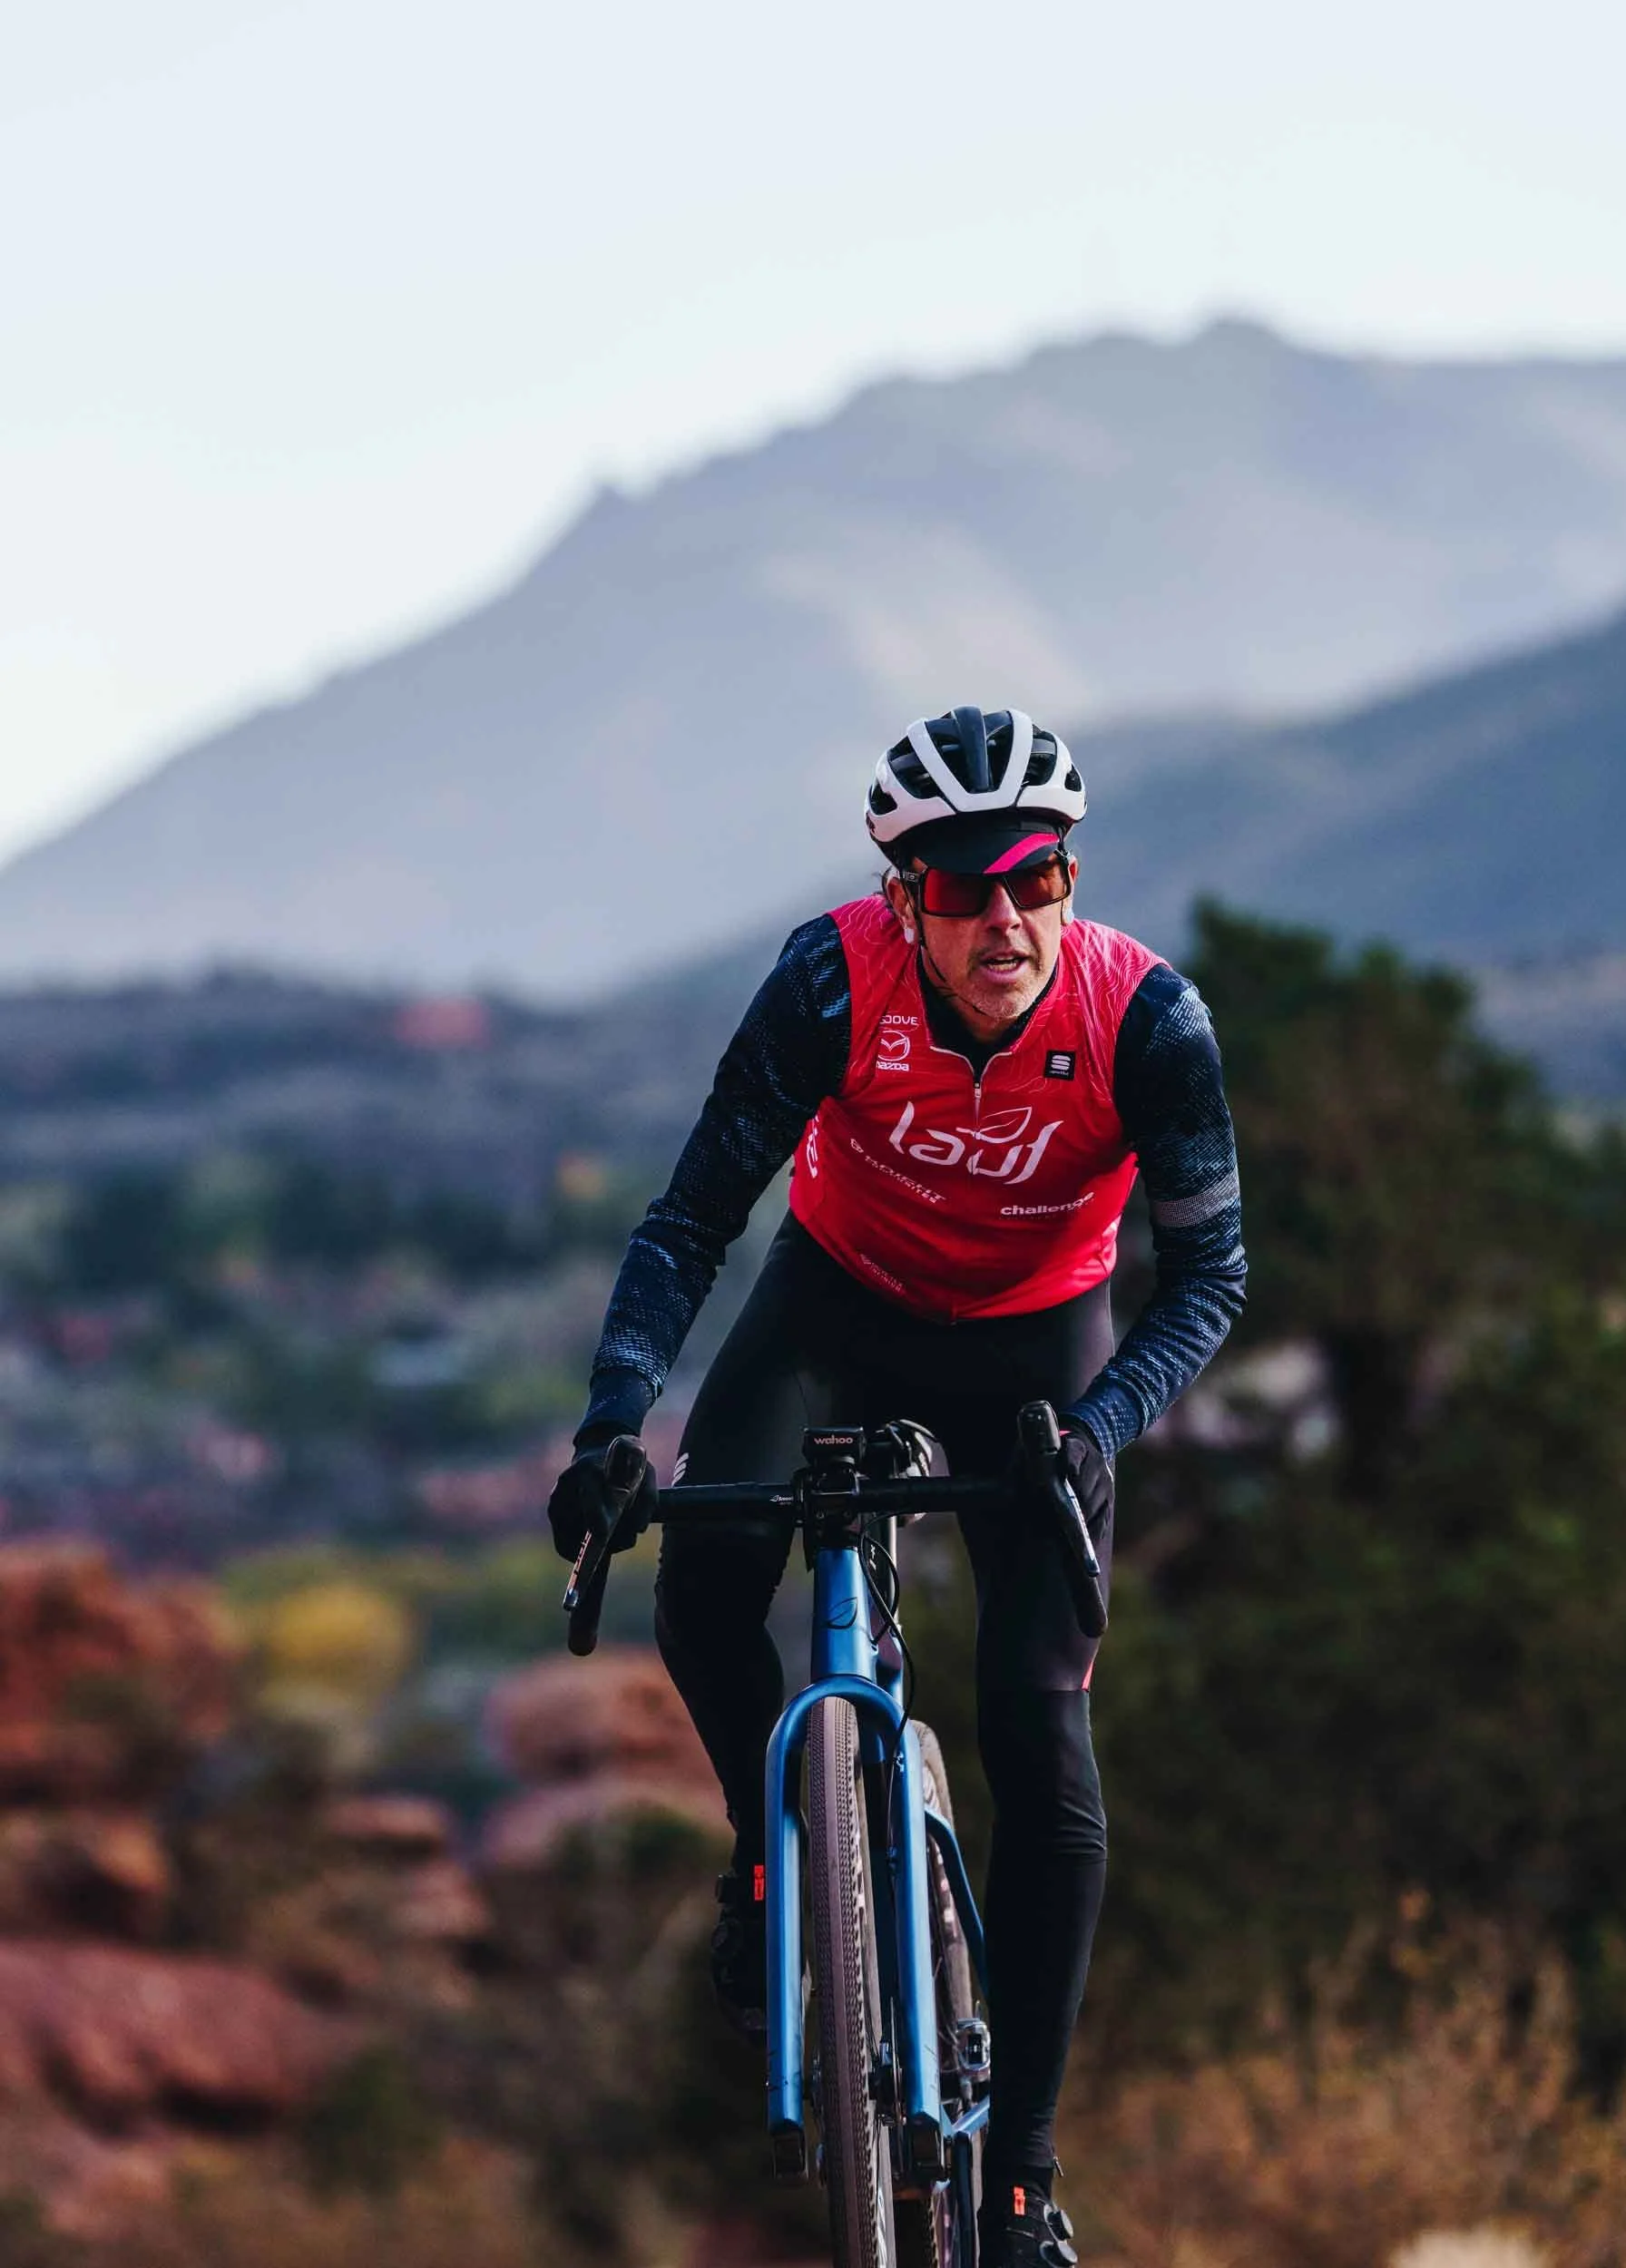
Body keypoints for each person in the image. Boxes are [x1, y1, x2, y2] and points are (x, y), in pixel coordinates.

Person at [547, 706, 1246, 2268]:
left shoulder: (1150, 1023)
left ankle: (1020, 2181)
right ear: (900, 893)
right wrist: (612, 1426)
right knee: (709, 1579)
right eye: (960, 885)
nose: (1005, 917)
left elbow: (1211, 1274)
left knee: (1040, 1727)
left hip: (1040, 1348)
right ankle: (761, 1858)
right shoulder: (825, 981)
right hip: (840, 1304)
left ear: (1070, 880)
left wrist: (1101, 1424)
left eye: (1038, 878)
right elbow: (687, 1224)